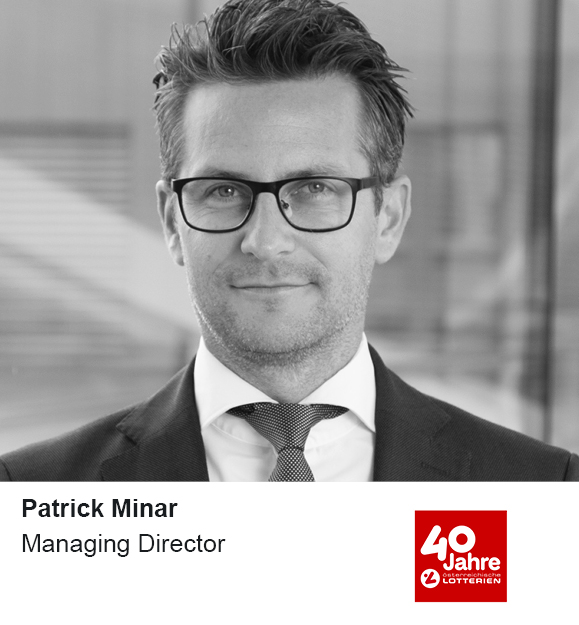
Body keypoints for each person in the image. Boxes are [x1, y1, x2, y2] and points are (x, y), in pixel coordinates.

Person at [1, 0, 577, 482]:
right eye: (224, 190)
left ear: (388, 217)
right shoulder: (31, 496)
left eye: (314, 188)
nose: (265, 240)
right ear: (173, 222)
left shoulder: (543, 489)